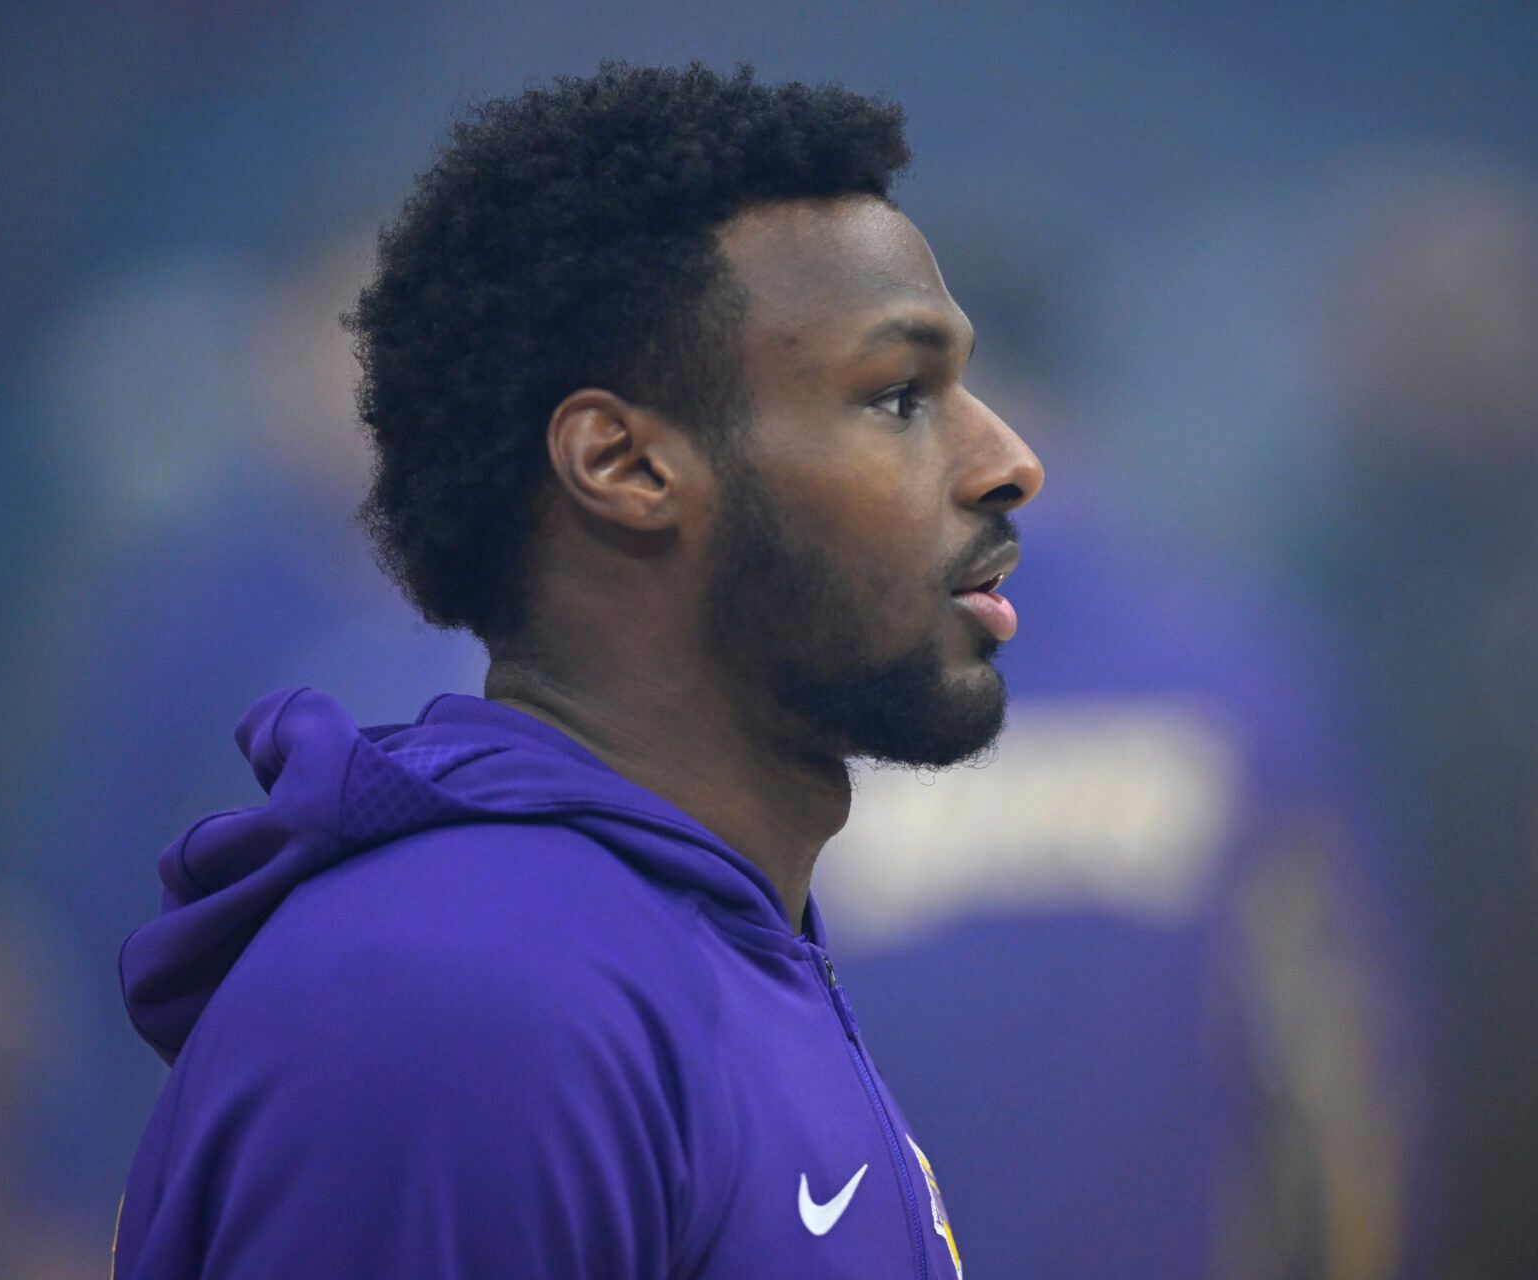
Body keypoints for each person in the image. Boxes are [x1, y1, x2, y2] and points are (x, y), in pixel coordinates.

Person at [112, 63, 1041, 1279]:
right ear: (624, 464)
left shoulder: (683, 946)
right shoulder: (471, 1001)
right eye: (900, 396)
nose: (1008, 459)